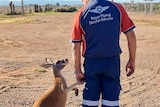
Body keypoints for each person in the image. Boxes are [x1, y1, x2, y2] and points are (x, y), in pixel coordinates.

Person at [71, 0, 136, 107]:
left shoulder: (81, 14)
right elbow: (131, 36)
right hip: (112, 63)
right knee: (111, 101)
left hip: (92, 64)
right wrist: (132, 60)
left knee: (90, 101)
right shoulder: (117, 8)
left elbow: (75, 46)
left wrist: (77, 70)